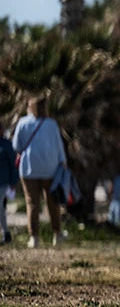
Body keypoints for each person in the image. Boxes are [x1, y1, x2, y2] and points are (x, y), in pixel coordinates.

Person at [12, 97, 68, 248]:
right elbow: (59, 145)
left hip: (29, 168)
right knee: (52, 202)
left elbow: (17, 145)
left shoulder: (23, 122)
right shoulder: (51, 124)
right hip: (50, 168)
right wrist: (63, 162)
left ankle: (34, 237)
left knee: (32, 203)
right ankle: (57, 234)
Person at [0, 121, 16, 244]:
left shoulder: (6, 145)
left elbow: (13, 165)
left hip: (3, 183)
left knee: (0, 208)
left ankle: (5, 233)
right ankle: (6, 233)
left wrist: (13, 182)